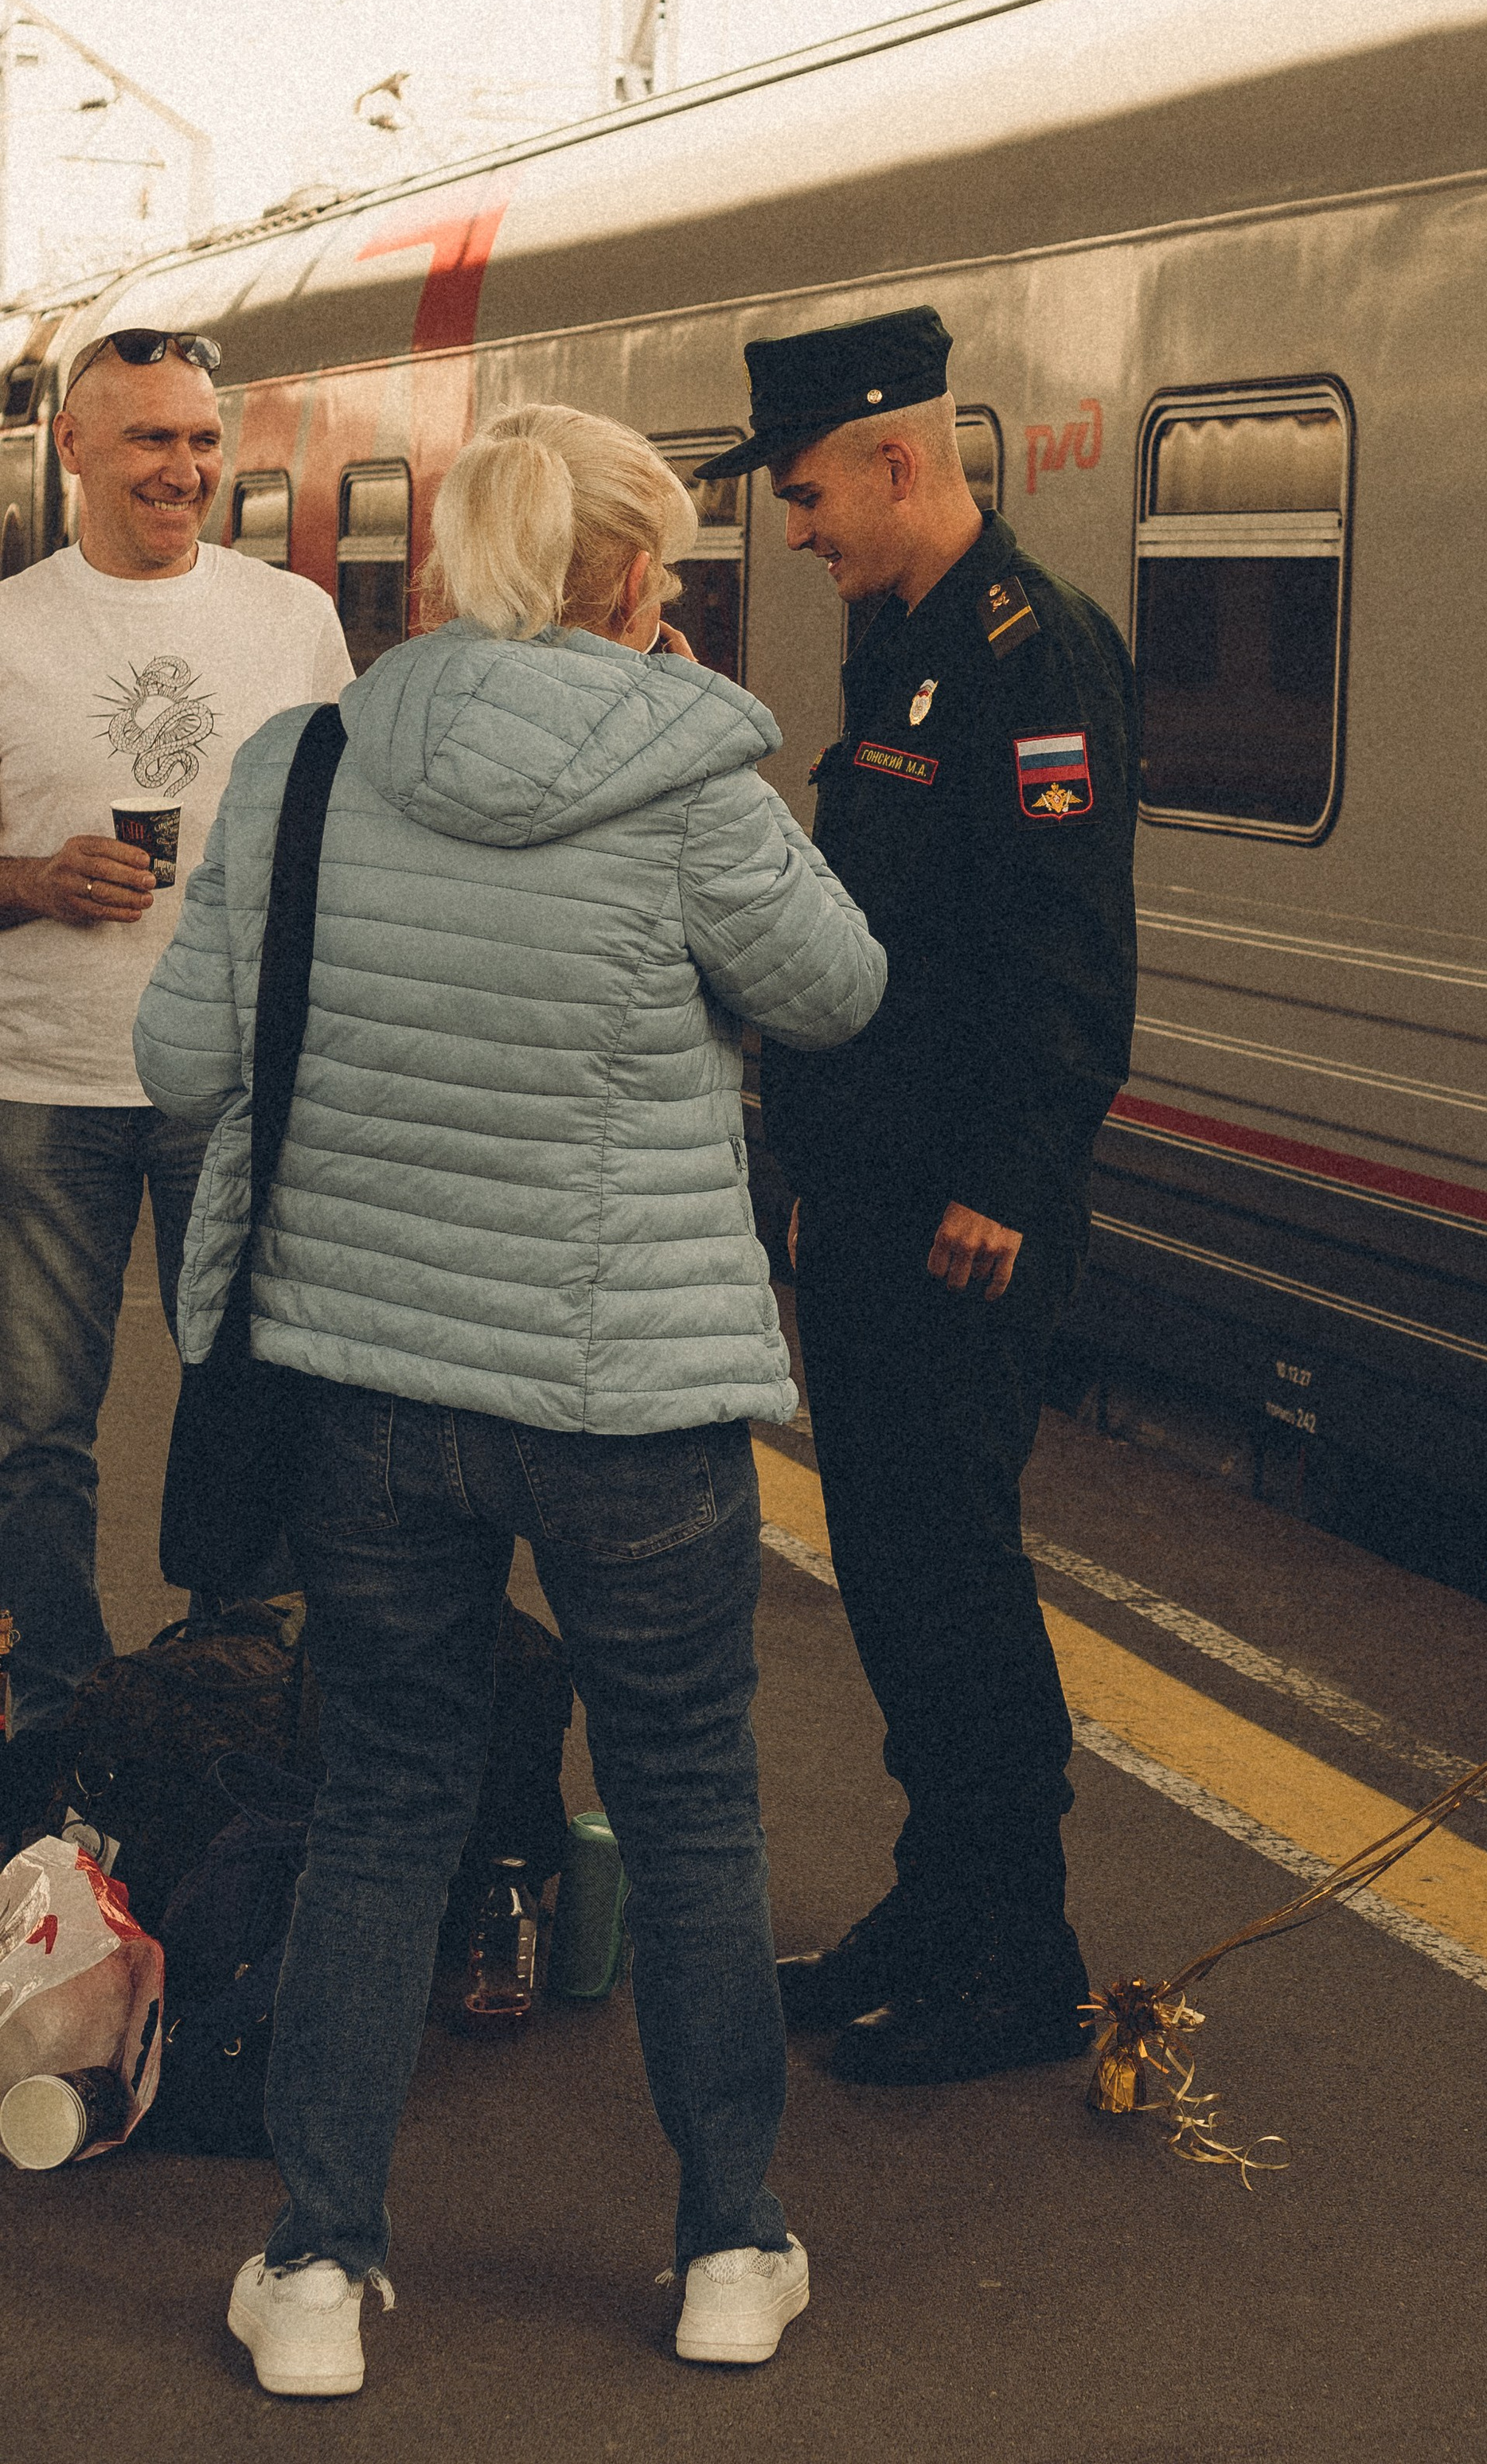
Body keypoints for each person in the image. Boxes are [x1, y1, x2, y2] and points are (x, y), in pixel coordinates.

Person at [134, 404, 884, 2400]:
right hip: (626, 1395)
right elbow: (834, 993)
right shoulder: (694, 774)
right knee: (691, 1808)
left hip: (366, 1386)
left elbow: (181, 1058)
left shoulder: (302, 767)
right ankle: (728, 2247)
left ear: (446, 561)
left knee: (386, 1798)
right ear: (641, 579)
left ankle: (314, 2271)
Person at [695, 305, 1139, 2087]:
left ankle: (1011, 1956)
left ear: (896, 457)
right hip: (877, 1198)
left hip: (964, 1215)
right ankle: (933, 1901)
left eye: (803, 495)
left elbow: (1064, 960)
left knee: (951, 1569)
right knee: (886, 1563)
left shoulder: (1034, 656)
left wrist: (1005, 1188)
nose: (790, 530)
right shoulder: (905, 639)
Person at [0, 326, 353, 1847]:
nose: (186, 470)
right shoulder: (7, 628)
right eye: (150, 440)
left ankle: (228, 1690)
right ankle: (65, 1713)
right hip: (46, 1081)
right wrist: (28, 877)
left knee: (247, 1401)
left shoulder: (296, 620)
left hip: (230, 1075)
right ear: (72, 448)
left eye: (204, 441)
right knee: (34, 1426)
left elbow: (359, 828)